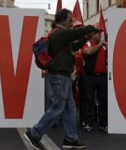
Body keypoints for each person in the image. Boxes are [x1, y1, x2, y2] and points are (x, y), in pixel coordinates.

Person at [24, 8, 98, 150]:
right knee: (58, 107)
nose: (72, 23)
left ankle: (71, 138)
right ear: (62, 20)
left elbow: (73, 46)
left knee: (69, 107)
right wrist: (91, 27)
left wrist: (85, 39)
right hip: (59, 76)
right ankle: (34, 134)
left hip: (62, 75)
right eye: (70, 20)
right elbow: (75, 32)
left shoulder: (60, 35)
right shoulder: (60, 33)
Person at [81, 25, 108, 133]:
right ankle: (89, 123)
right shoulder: (88, 44)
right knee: (89, 100)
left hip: (102, 76)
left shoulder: (104, 46)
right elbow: (87, 52)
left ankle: (104, 124)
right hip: (90, 76)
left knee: (103, 101)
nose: (100, 35)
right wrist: (100, 45)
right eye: (98, 33)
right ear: (92, 35)